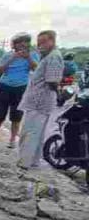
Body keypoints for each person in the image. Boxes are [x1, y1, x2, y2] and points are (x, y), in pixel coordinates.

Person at [17, 30, 64, 169]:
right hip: (38, 101)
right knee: (36, 133)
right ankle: (33, 161)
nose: (40, 46)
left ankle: (24, 162)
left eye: (43, 42)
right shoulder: (48, 56)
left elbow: (52, 81)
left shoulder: (54, 57)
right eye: (38, 44)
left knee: (30, 132)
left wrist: (59, 93)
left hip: (40, 101)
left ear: (52, 41)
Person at [0, 33, 39, 147]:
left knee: (17, 115)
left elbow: (36, 68)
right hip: (4, 86)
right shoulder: (8, 55)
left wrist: (28, 57)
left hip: (21, 88)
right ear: (14, 44)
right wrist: (13, 58)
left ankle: (12, 140)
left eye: (25, 41)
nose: (22, 44)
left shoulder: (33, 55)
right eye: (19, 42)